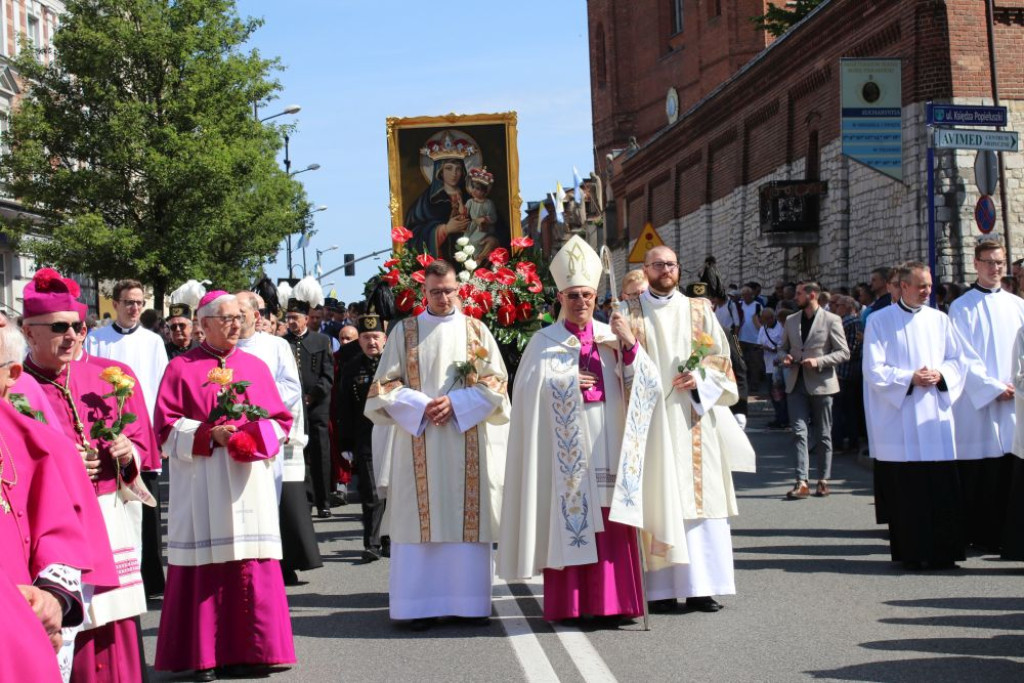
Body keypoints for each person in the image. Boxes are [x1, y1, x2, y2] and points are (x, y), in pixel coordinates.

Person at [500, 236, 665, 624]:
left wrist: (630, 347)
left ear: (595, 297)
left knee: (612, 518)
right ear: (560, 298)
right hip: (566, 451)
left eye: (587, 295)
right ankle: (572, 605)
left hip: (609, 438)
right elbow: (524, 392)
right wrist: (564, 383)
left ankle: (615, 604)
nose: (580, 302)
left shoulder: (612, 335)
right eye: (573, 295)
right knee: (571, 517)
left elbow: (649, 385)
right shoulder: (544, 342)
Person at [153, 292, 295, 679]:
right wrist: (208, 435)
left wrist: (254, 438)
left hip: (248, 479)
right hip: (203, 477)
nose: (236, 324)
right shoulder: (181, 368)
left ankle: (254, 651)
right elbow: (164, 428)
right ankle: (205, 655)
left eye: (239, 317)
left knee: (252, 562)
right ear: (204, 324)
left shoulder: (255, 366)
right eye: (227, 318)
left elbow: (281, 421)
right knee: (206, 566)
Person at [365, 260, 510, 631]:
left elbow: (496, 381)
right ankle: (418, 607)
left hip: (465, 438)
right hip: (419, 436)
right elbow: (384, 385)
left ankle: (468, 604)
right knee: (419, 522)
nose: (443, 298)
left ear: (458, 290)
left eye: (448, 291)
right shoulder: (405, 332)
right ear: (423, 292)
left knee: (465, 516)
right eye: (435, 292)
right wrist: (420, 405)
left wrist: (458, 403)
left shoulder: (476, 330)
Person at [21, 269, 150, 682]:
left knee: (114, 623)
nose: (72, 336)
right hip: (52, 530)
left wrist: (126, 452)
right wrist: (61, 464)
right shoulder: (16, 388)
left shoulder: (111, 377)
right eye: (59, 328)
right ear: (28, 332)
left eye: (77, 327)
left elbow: (144, 448)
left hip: (109, 516)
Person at [622, 246, 754, 614]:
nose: (665, 269)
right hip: (649, 421)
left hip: (693, 417)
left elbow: (722, 361)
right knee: (658, 499)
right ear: (646, 269)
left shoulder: (699, 310)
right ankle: (660, 589)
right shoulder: (628, 313)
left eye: (671, 264)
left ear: (678, 270)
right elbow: (615, 366)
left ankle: (701, 587)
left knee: (701, 501)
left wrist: (699, 378)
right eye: (658, 264)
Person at [863, 262, 967, 569]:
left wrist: (941, 374)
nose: (927, 291)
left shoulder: (940, 320)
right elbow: (874, 369)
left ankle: (944, 554)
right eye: (921, 286)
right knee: (909, 491)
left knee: (941, 488)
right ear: (903, 286)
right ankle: (912, 553)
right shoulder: (880, 321)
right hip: (901, 418)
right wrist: (910, 377)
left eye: (929, 285)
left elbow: (957, 360)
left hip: (935, 415)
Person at [83, 278, 169, 599]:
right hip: (107, 433)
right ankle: (115, 573)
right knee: (113, 507)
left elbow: (162, 388)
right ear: (116, 304)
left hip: (143, 433)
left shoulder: (153, 341)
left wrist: (160, 434)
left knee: (147, 506)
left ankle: (152, 579)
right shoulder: (96, 339)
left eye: (139, 302)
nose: (134, 307)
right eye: (129, 302)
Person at [235, 291, 322, 585]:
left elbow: (291, 387)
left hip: (269, 431)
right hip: (235, 436)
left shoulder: (276, 345)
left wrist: (256, 407)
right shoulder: (223, 348)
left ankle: (282, 564)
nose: (234, 320)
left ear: (256, 316)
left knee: (277, 503)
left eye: (240, 314)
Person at [947, 240, 1024, 552]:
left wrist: (1017, 386)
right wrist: (992, 388)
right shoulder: (961, 307)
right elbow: (962, 355)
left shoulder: (1018, 305)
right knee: (982, 470)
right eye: (989, 262)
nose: (995, 268)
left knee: (1011, 467)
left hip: (1016, 397)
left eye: (1000, 262)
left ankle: (1010, 535)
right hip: (978, 401)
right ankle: (981, 533)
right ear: (976, 264)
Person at [780, 282, 849, 499]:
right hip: (796, 382)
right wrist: (785, 357)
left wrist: (818, 361)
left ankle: (823, 480)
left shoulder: (831, 320)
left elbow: (843, 352)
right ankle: (801, 481)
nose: (795, 297)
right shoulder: (791, 320)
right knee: (798, 432)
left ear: (812, 295)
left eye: (799, 293)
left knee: (823, 433)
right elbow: (782, 348)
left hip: (822, 384)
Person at [335, 310, 390, 562]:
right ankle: (372, 543)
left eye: (376, 337)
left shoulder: (395, 365)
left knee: (394, 490)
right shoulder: (352, 367)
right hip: (365, 436)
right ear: (360, 341)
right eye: (366, 338)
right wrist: (345, 442)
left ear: (385, 339)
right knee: (371, 492)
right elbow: (343, 407)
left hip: (394, 434)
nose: (372, 342)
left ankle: (390, 539)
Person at [284, 278, 335, 518]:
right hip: (292, 408)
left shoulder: (321, 340)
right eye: (289, 318)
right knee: (298, 454)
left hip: (316, 406)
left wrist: (312, 396)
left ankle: (323, 500)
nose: (292, 322)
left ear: (306, 318)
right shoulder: (282, 343)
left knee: (320, 454)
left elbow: (328, 374)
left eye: (296, 318)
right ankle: (305, 499)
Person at [405, 136, 473, 261]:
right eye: (449, 168)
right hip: (442, 262)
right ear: (440, 171)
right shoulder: (428, 201)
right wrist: (445, 229)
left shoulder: (471, 198)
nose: (454, 173)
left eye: (458, 169)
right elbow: (413, 234)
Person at [757, 307, 787, 429]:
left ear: (771, 318)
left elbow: (783, 345)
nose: (764, 321)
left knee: (780, 393)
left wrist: (772, 349)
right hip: (768, 365)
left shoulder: (781, 327)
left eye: (766, 319)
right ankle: (778, 417)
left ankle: (784, 418)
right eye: (763, 319)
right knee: (772, 393)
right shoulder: (762, 328)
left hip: (779, 366)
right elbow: (759, 342)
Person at [463, 166, 500, 259]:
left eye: (478, 189)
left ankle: (477, 258)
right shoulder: (470, 202)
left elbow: (493, 217)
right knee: (466, 241)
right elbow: (464, 213)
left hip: (483, 228)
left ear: (485, 192)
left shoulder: (488, 203)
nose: (475, 191)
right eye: (474, 187)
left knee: (475, 241)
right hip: (472, 226)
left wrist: (484, 219)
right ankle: (470, 259)